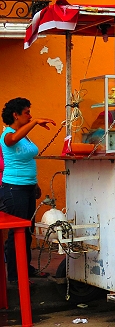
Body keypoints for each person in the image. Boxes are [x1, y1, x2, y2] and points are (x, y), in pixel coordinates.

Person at [0, 97, 56, 283]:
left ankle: (25, 268)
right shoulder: (8, 134)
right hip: (13, 189)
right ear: (16, 115)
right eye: (27, 113)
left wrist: (35, 184)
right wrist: (35, 122)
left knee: (27, 230)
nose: (30, 115)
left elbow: (27, 160)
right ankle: (15, 275)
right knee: (17, 231)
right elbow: (12, 140)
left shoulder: (25, 135)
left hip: (27, 187)